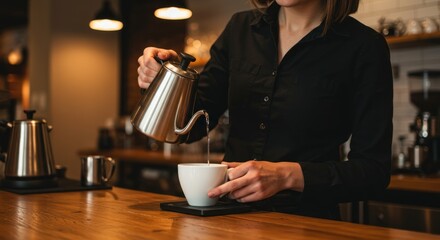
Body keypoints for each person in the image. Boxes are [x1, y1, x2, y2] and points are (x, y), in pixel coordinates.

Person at [137, 0, 393, 220]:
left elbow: (373, 172)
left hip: (307, 224)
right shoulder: (240, 29)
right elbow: (187, 127)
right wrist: (164, 82)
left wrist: (288, 175)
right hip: (227, 219)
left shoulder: (364, 46)